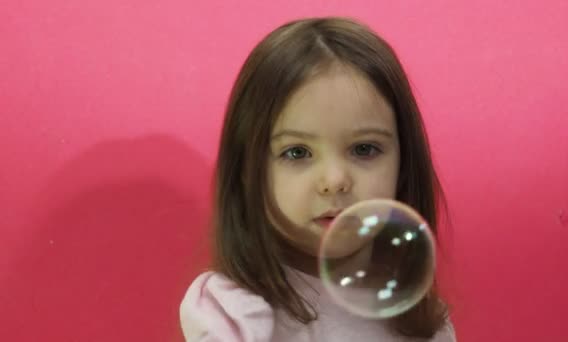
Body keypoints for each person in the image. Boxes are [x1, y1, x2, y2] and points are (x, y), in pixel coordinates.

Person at [180, 16, 457, 341]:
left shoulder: (425, 323)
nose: (335, 180)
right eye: (297, 153)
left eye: (365, 149)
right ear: (247, 171)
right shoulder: (230, 312)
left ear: (404, 164)